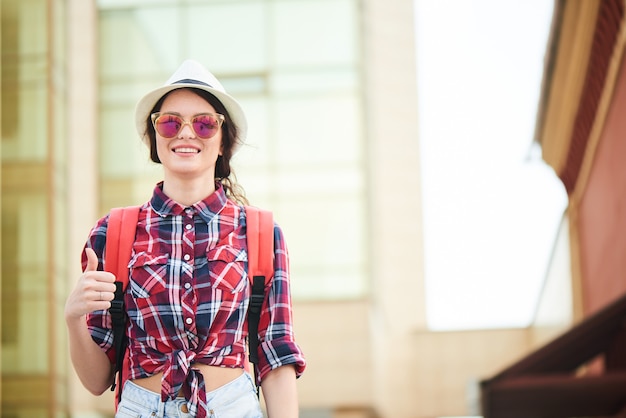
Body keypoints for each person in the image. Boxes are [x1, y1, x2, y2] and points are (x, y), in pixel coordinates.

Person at [64, 59, 306, 418]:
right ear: (155, 139)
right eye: (170, 122)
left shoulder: (260, 233)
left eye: (205, 123)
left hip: (232, 408)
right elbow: (97, 380)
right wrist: (73, 318)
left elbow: (275, 352)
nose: (186, 133)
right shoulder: (111, 232)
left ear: (224, 142)